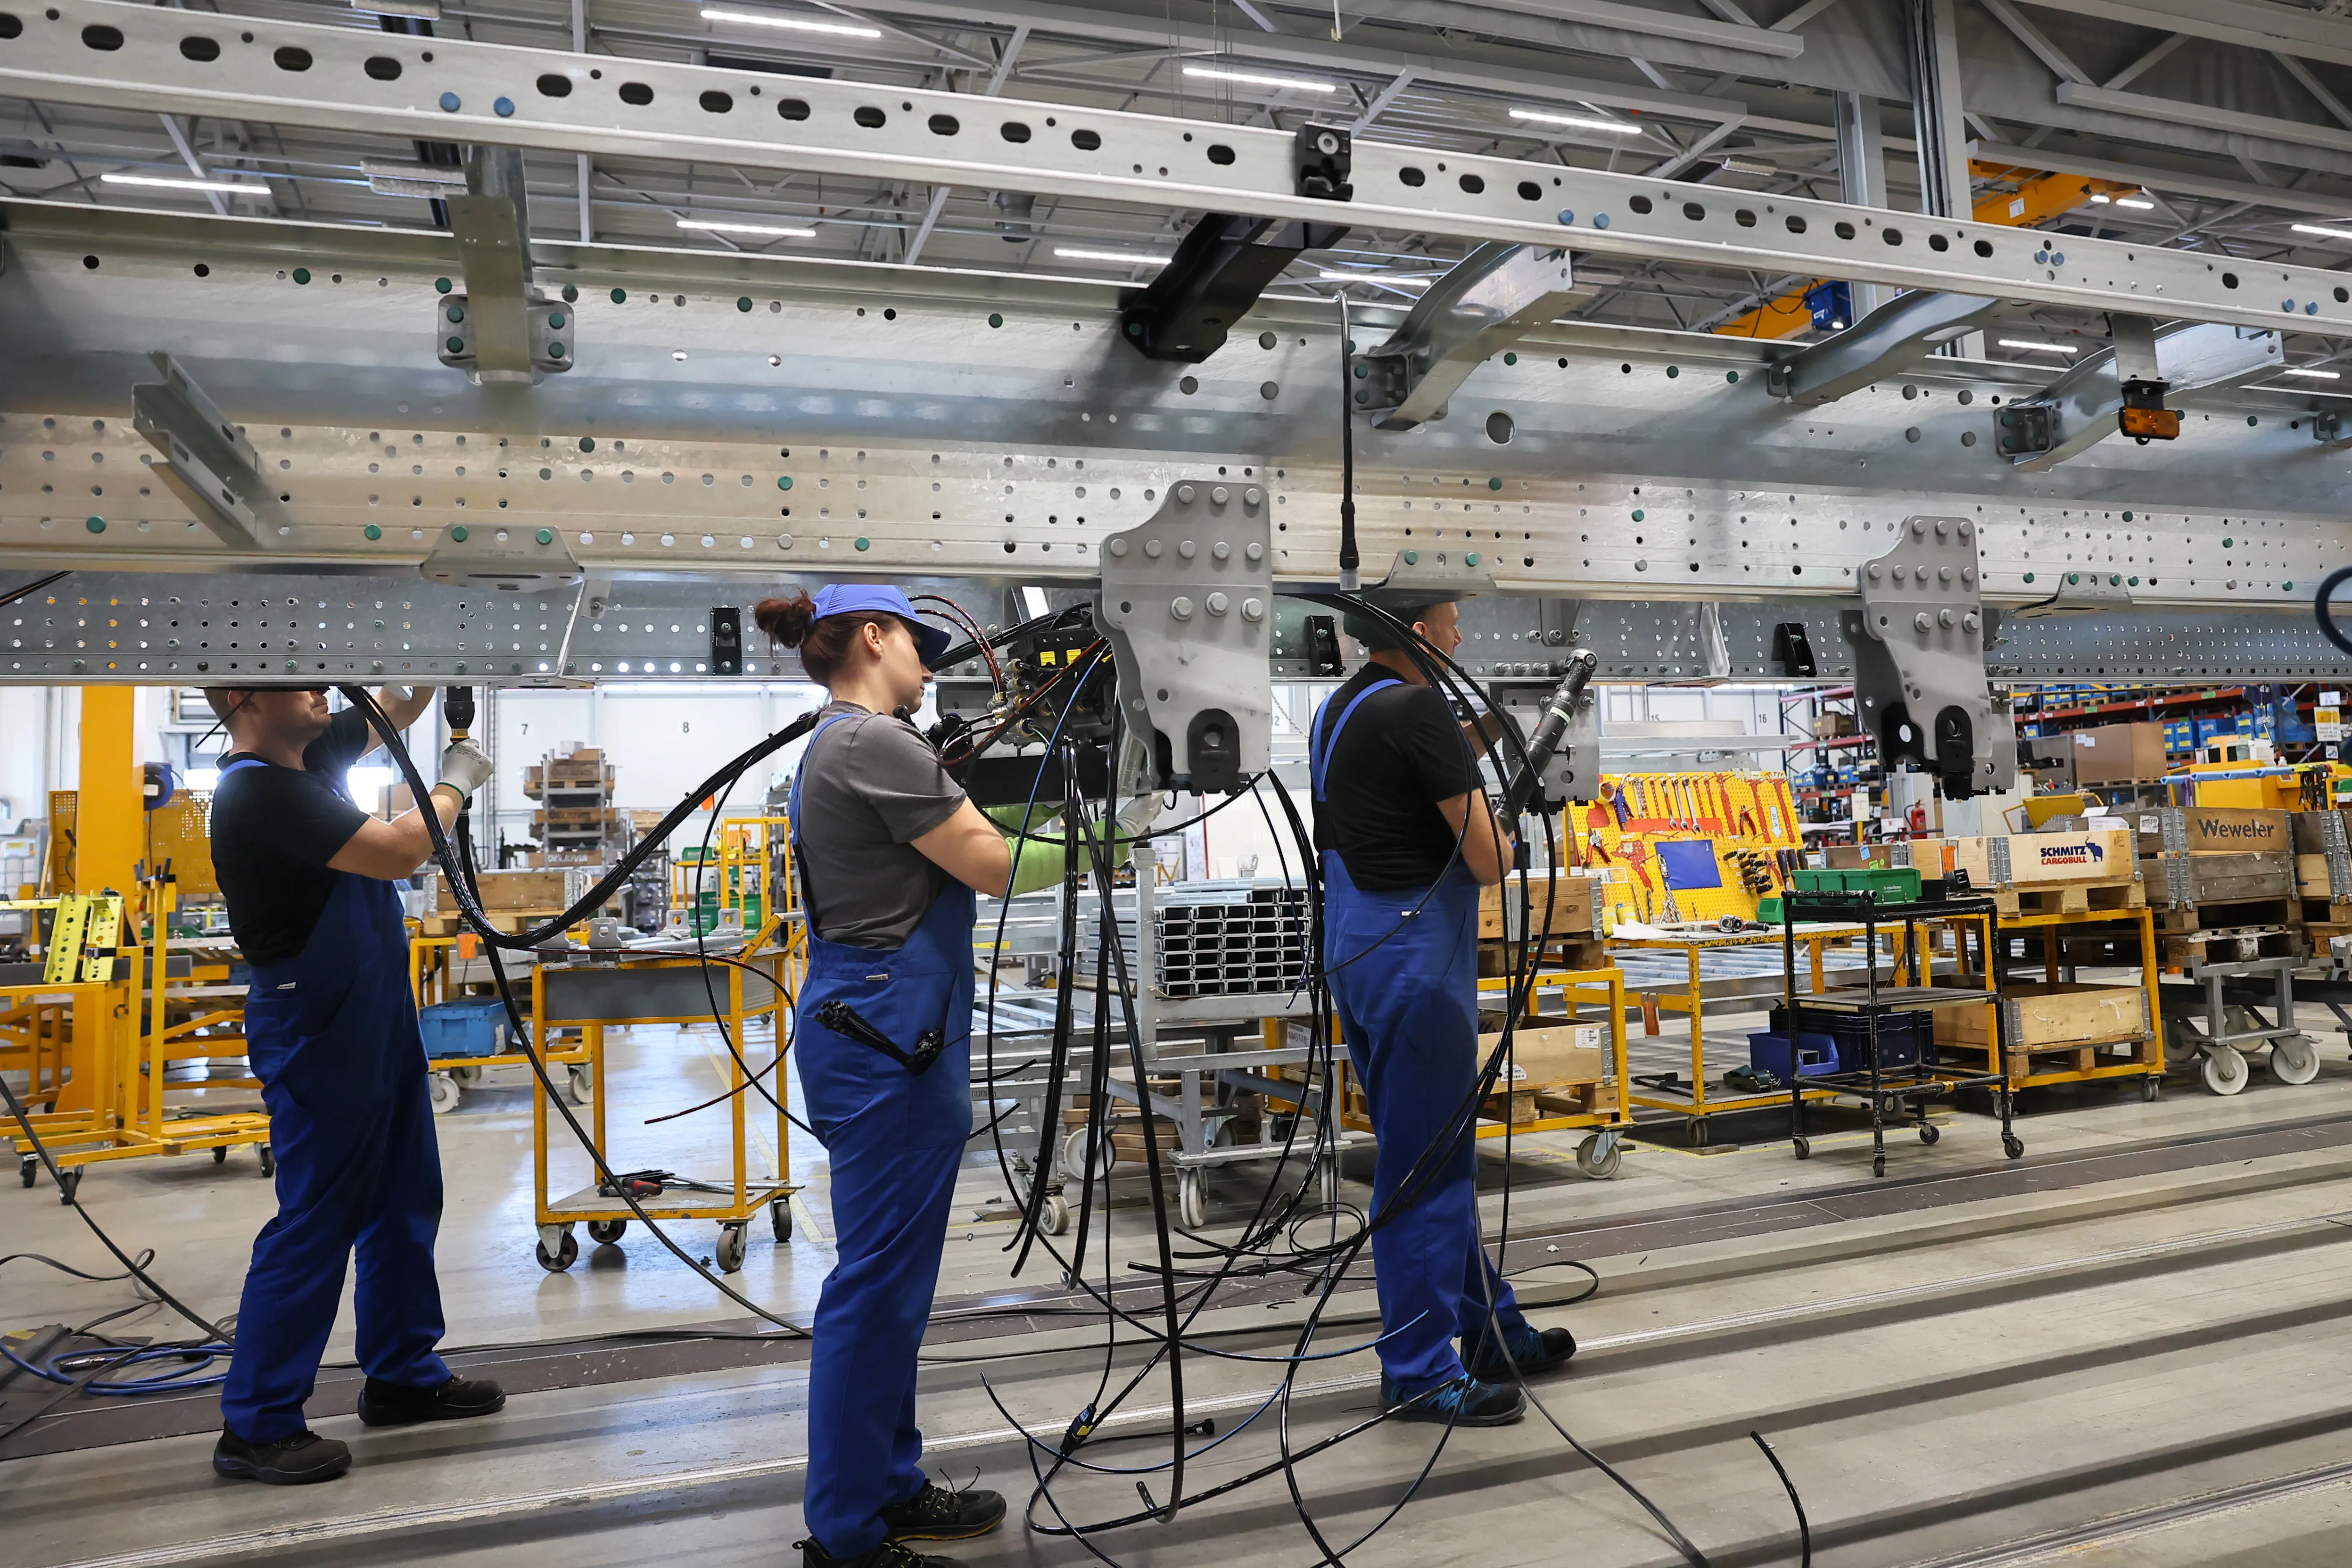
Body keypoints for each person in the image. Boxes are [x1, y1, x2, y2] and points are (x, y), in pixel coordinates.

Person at [756, 585, 1015, 1568]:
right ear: (873, 636)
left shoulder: (854, 742)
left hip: (891, 1027)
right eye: (916, 641)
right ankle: (848, 1532)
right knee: (873, 1289)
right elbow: (988, 864)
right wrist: (1091, 840)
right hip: (888, 1037)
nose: (927, 662)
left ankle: (889, 1482)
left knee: (895, 1285)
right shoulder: (870, 741)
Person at [204, 685, 506, 1484]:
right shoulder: (259, 791)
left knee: (407, 1192)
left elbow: (392, 712)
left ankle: (403, 1374)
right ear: (241, 696)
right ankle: (259, 1422)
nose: (319, 690)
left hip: (374, 1009)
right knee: (320, 1214)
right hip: (317, 1024)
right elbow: (402, 849)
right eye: (297, 678)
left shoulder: (304, 757)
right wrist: (454, 784)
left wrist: (439, 652)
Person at [1310, 599, 1577, 1428]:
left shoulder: (1344, 707)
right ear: (1423, 634)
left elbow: (1403, 772)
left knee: (1434, 1153)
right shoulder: (1421, 705)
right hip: (1417, 954)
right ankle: (1418, 1369)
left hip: (1361, 946)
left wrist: (1486, 736)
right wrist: (1506, 807)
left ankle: (1491, 1330)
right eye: (1453, 622)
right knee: (1427, 1168)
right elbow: (1488, 861)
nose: (1462, 637)